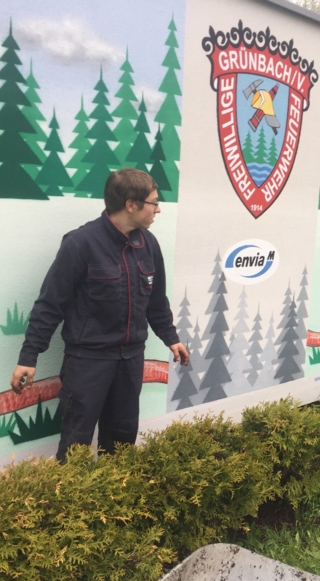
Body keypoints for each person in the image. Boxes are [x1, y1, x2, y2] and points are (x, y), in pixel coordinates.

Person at [10, 168, 189, 461]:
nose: (158, 209)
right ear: (130, 204)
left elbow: (156, 302)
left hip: (131, 360)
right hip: (87, 362)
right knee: (76, 445)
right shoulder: (80, 243)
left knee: (121, 443)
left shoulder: (148, 244)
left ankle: (115, 490)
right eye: (153, 202)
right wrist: (29, 356)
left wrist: (171, 338)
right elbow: (50, 304)